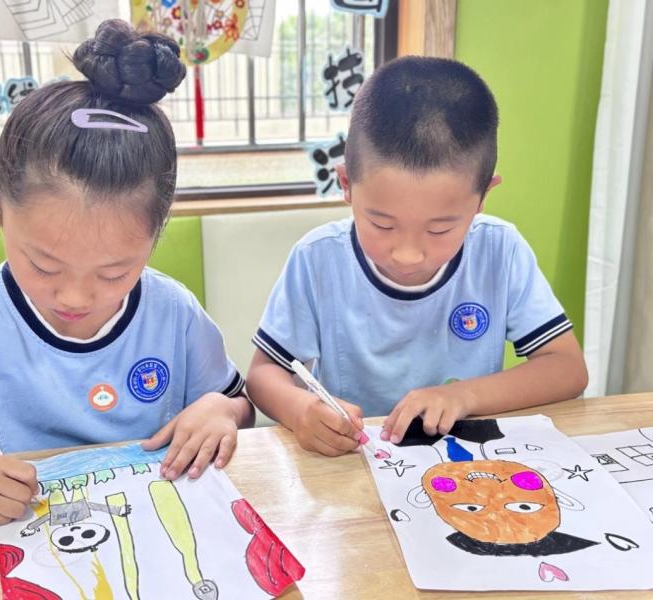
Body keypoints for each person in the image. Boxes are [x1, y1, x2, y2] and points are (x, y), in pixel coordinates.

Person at [0, 19, 252, 526]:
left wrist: (221, 409)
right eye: (43, 265)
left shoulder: (173, 314)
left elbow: (238, 405)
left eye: (114, 273)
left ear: (157, 233)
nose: (75, 297)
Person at [246, 56, 588, 456]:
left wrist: (464, 396)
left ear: (483, 197)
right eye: (382, 224)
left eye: (439, 230)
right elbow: (263, 373)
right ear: (346, 184)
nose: (407, 256)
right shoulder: (317, 259)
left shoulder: (500, 251)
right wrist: (300, 409)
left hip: (467, 464)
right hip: (355, 463)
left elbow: (568, 369)